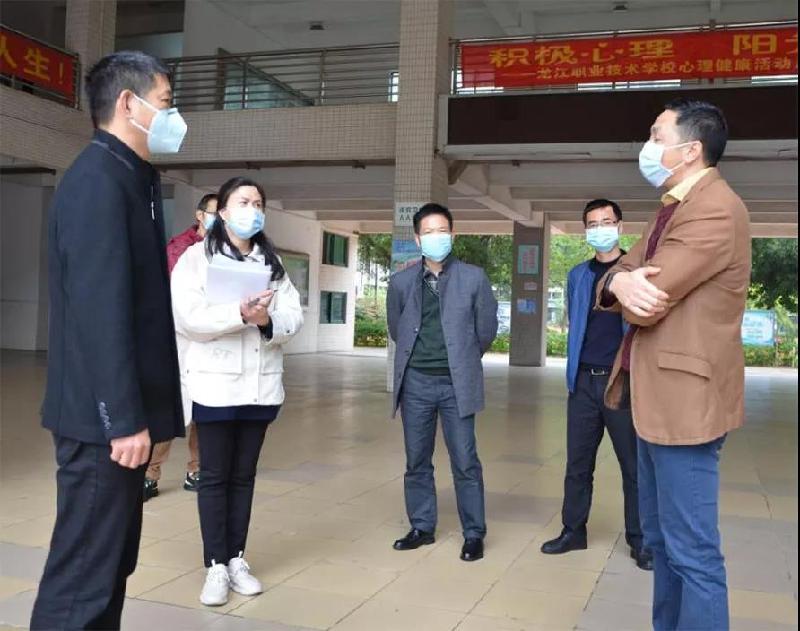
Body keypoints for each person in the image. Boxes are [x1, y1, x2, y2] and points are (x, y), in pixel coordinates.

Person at [32, 51, 187, 630]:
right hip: (101, 426)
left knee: (109, 567)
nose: (173, 117)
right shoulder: (98, 182)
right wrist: (122, 420)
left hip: (117, 422)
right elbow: (101, 313)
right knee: (82, 580)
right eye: (166, 103)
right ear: (129, 103)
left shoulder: (129, 177)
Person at [598, 99, 751, 630]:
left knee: (692, 552)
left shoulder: (715, 208)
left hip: (685, 407)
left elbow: (649, 297)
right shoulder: (672, 207)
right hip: (655, 402)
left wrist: (623, 283)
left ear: (690, 150)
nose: (648, 146)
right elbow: (619, 274)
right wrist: (620, 280)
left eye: (656, 135)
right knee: (662, 542)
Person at [171, 176, 303, 606]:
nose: (253, 209)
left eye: (258, 203)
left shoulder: (272, 262)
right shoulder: (196, 259)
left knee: (244, 476)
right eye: (243, 202)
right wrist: (239, 314)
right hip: (215, 385)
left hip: (260, 388)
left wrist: (266, 321)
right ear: (223, 212)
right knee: (214, 476)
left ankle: (236, 560)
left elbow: (293, 317)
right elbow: (189, 317)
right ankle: (214, 565)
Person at [541, 199, 652, 571]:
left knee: (633, 467)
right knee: (577, 464)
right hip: (583, 384)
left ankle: (641, 541)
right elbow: (576, 322)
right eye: (592, 223)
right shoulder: (578, 275)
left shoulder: (635, 272)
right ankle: (573, 531)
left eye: (606, 221)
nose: (600, 228)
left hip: (620, 383)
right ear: (585, 230)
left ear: (620, 226)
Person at [387, 203, 498, 562]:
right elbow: (397, 329)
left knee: (465, 459)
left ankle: (474, 533)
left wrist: (462, 358)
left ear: (453, 234)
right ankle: (422, 526)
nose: (436, 237)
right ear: (418, 239)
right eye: (428, 232)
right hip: (416, 383)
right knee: (416, 459)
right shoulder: (401, 282)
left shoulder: (474, 278)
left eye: (442, 230)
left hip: (456, 384)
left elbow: (486, 330)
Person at [144, 193, 219, 501]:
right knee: (171, 406)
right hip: (177, 339)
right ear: (200, 215)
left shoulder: (226, 250)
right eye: (215, 212)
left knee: (204, 408)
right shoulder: (179, 248)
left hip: (213, 339)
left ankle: (197, 470)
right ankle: (150, 473)